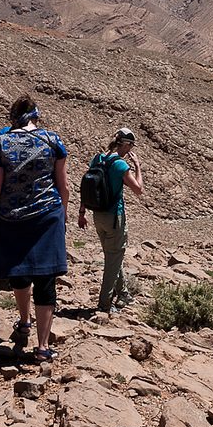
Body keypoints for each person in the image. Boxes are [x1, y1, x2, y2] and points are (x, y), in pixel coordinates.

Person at [0, 94, 68, 362]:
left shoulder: (1, 143)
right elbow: (63, 185)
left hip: (10, 218)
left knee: (19, 274)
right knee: (46, 278)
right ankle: (42, 347)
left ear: (12, 118)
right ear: (36, 116)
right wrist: (61, 216)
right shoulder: (53, 140)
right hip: (47, 216)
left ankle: (24, 321)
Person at [77, 128, 143, 313]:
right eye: (131, 145)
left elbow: (87, 187)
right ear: (127, 145)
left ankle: (123, 293)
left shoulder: (98, 159)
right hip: (115, 216)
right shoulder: (120, 165)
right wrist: (137, 166)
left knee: (113, 256)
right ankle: (105, 304)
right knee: (113, 258)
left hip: (97, 216)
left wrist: (82, 213)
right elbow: (138, 189)